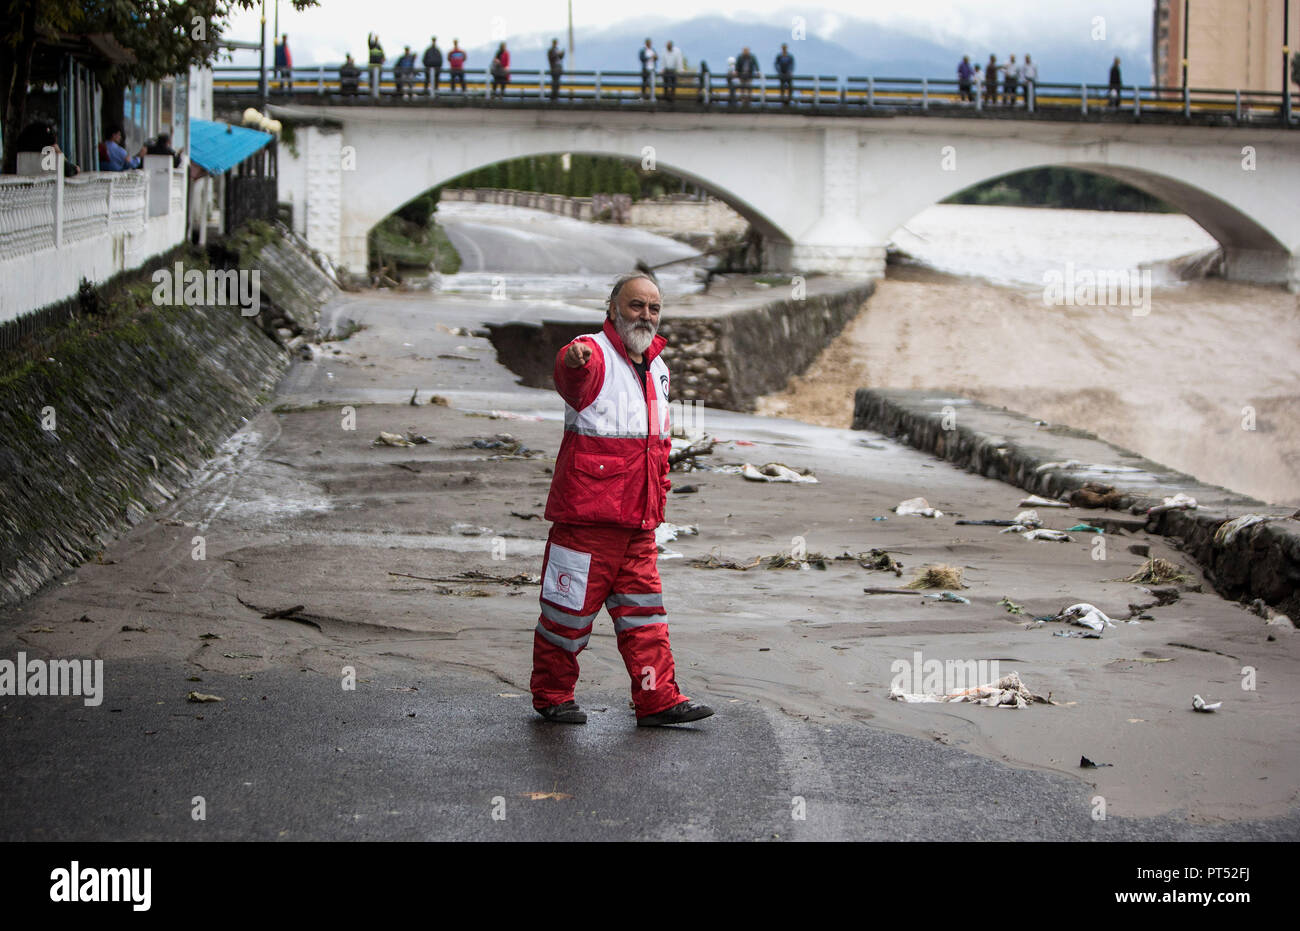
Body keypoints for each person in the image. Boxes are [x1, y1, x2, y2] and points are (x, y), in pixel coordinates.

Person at [530, 272, 715, 728]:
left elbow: (660, 446)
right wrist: (571, 362)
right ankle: (552, 696)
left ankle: (657, 700)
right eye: (636, 306)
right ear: (613, 308)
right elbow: (572, 375)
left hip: (637, 525)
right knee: (565, 619)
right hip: (586, 522)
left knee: (645, 620)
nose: (646, 315)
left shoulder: (659, 368)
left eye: (653, 308)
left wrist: (660, 501)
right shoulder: (590, 353)